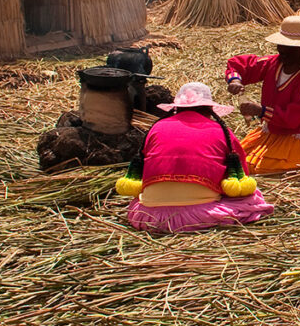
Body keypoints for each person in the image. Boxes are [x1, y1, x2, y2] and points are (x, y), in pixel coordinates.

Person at [114, 82, 274, 233]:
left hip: (151, 217)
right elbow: (241, 179)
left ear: (176, 109)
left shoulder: (156, 128)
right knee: (253, 198)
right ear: (209, 109)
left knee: (137, 201)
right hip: (200, 216)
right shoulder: (221, 131)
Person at [226, 15, 300, 174]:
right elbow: (239, 65)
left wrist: (260, 111)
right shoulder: (274, 63)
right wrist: (235, 81)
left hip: (298, 135)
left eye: (290, 47)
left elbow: (293, 118)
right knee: (235, 159)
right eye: (281, 45)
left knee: (256, 168)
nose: (283, 50)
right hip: (273, 130)